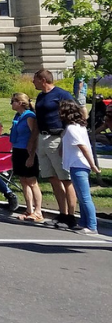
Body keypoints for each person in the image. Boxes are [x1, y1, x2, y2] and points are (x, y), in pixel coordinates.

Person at [30, 69, 78, 229]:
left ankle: (71, 216)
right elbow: (38, 119)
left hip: (58, 138)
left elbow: (74, 116)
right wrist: (34, 141)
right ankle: (62, 214)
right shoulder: (41, 96)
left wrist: (66, 141)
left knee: (65, 178)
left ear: (43, 80)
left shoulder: (62, 94)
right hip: (43, 139)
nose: (32, 82)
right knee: (52, 178)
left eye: (35, 79)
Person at [60, 101, 100, 235]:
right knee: (82, 195)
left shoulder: (72, 128)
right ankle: (83, 222)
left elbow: (82, 146)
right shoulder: (78, 126)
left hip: (79, 164)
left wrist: (93, 164)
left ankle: (92, 225)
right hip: (77, 164)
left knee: (84, 197)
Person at [9, 93, 42, 222]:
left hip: (27, 151)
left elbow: (34, 137)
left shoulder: (29, 116)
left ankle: (38, 210)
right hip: (17, 149)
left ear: (20, 103)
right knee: (23, 180)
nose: (11, 104)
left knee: (32, 181)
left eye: (13, 101)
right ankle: (29, 209)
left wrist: (31, 156)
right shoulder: (18, 116)